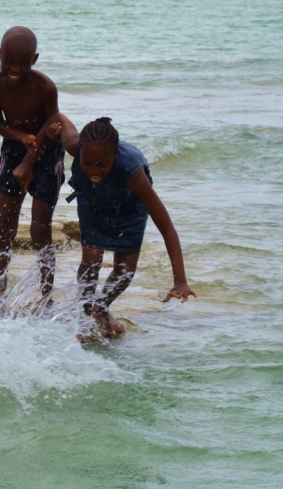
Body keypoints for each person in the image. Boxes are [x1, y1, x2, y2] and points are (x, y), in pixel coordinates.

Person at [44, 115, 196, 338]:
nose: (94, 170)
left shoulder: (133, 173)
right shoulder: (73, 146)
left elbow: (167, 228)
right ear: (80, 151)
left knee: (125, 270)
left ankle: (102, 306)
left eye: (102, 164)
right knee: (91, 257)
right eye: (87, 163)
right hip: (92, 203)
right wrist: (48, 132)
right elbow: (59, 117)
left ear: (114, 156)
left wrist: (180, 280)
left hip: (129, 209)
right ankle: (84, 316)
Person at [0, 26, 64, 307]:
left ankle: (46, 296)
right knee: (4, 226)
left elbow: (53, 124)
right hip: (14, 148)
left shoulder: (45, 87)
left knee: (40, 229)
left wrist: (31, 156)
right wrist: (22, 138)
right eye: (8, 61)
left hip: (47, 150)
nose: (15, 69)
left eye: (24, 63)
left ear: (35, 60)